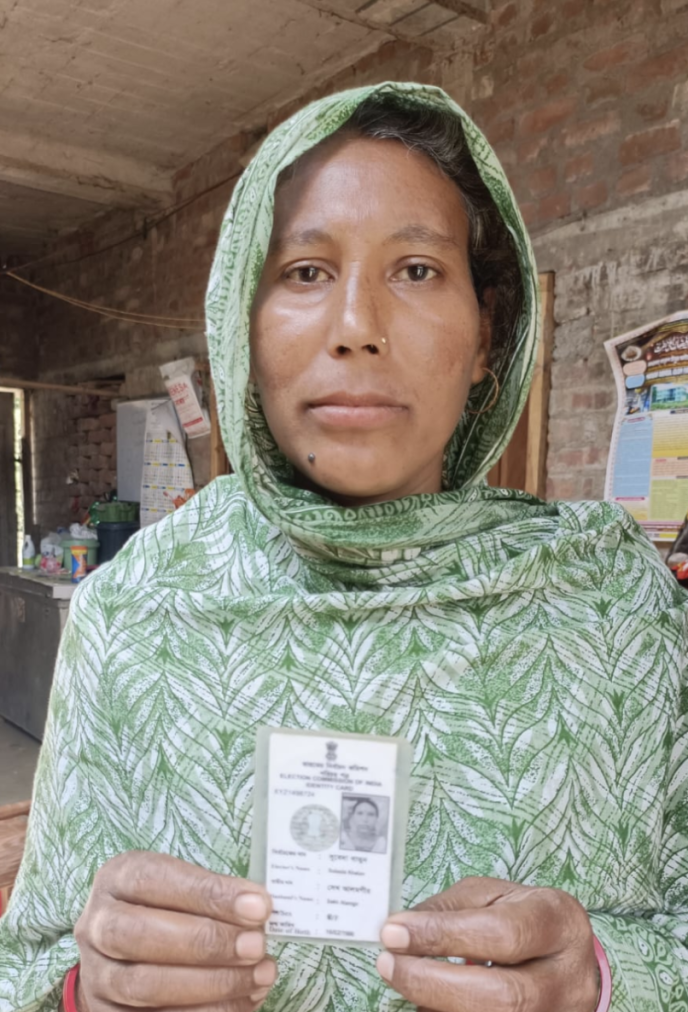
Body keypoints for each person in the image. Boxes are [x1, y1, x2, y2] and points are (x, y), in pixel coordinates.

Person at [0, 81, 686, 1012]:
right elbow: (27, 967)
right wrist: (89, 990)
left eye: (417, 270)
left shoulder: (611, 600)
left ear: (488, 335)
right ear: (243, 325)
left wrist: (609, 980)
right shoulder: (137, 608)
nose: (357, 328)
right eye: (305, 272)